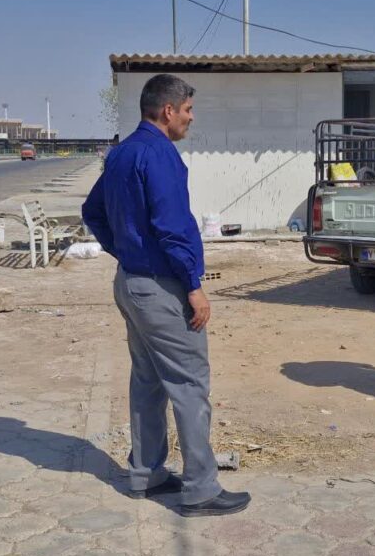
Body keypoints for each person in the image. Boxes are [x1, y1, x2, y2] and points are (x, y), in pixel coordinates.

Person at [82, 74, 251, 517]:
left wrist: (125, 251)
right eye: (188, 110)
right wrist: (194, 285)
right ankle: (200, 489)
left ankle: (147, 474)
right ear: (168, 110)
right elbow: (174, 227)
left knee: (148, 381)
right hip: (160, 288)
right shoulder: (160, 155)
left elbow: (92, 212)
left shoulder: (121, 154)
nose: (191, 118)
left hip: (131, 283)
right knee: (189, 383)